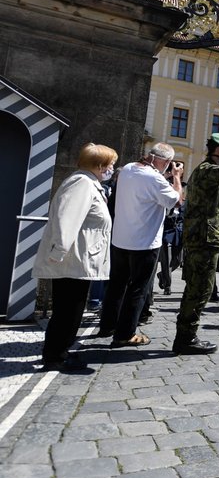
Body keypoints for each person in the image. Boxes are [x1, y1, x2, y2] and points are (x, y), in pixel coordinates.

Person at [34, 143, 117, 370]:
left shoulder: (90, 183)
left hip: (78, 258)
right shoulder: (82, 183)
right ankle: (55, 357)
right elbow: (67, 219)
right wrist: (59, 251)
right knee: (67, 310)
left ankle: (61, 352)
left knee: (71, 309)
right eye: (110, 165)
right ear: (99, 165)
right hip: (71, 258)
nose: (112, 169)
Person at [97, 142, 182, 347]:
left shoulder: (127, 169)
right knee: (138, 289)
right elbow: (177, 200)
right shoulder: (155, 178)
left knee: (116, 286)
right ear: (167, 162)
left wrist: (165, 177)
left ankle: (107, 326)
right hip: (144, 242)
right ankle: (125, 334)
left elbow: (147, 184)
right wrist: (177, 177)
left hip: (120, 239)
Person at [171, 133, 219, 355]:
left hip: (203, 237)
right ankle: (186, 337)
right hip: (203, 238)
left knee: (198, 286)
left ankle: (185, 335)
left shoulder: (206, 170)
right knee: (201, 287)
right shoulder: (208, 170)